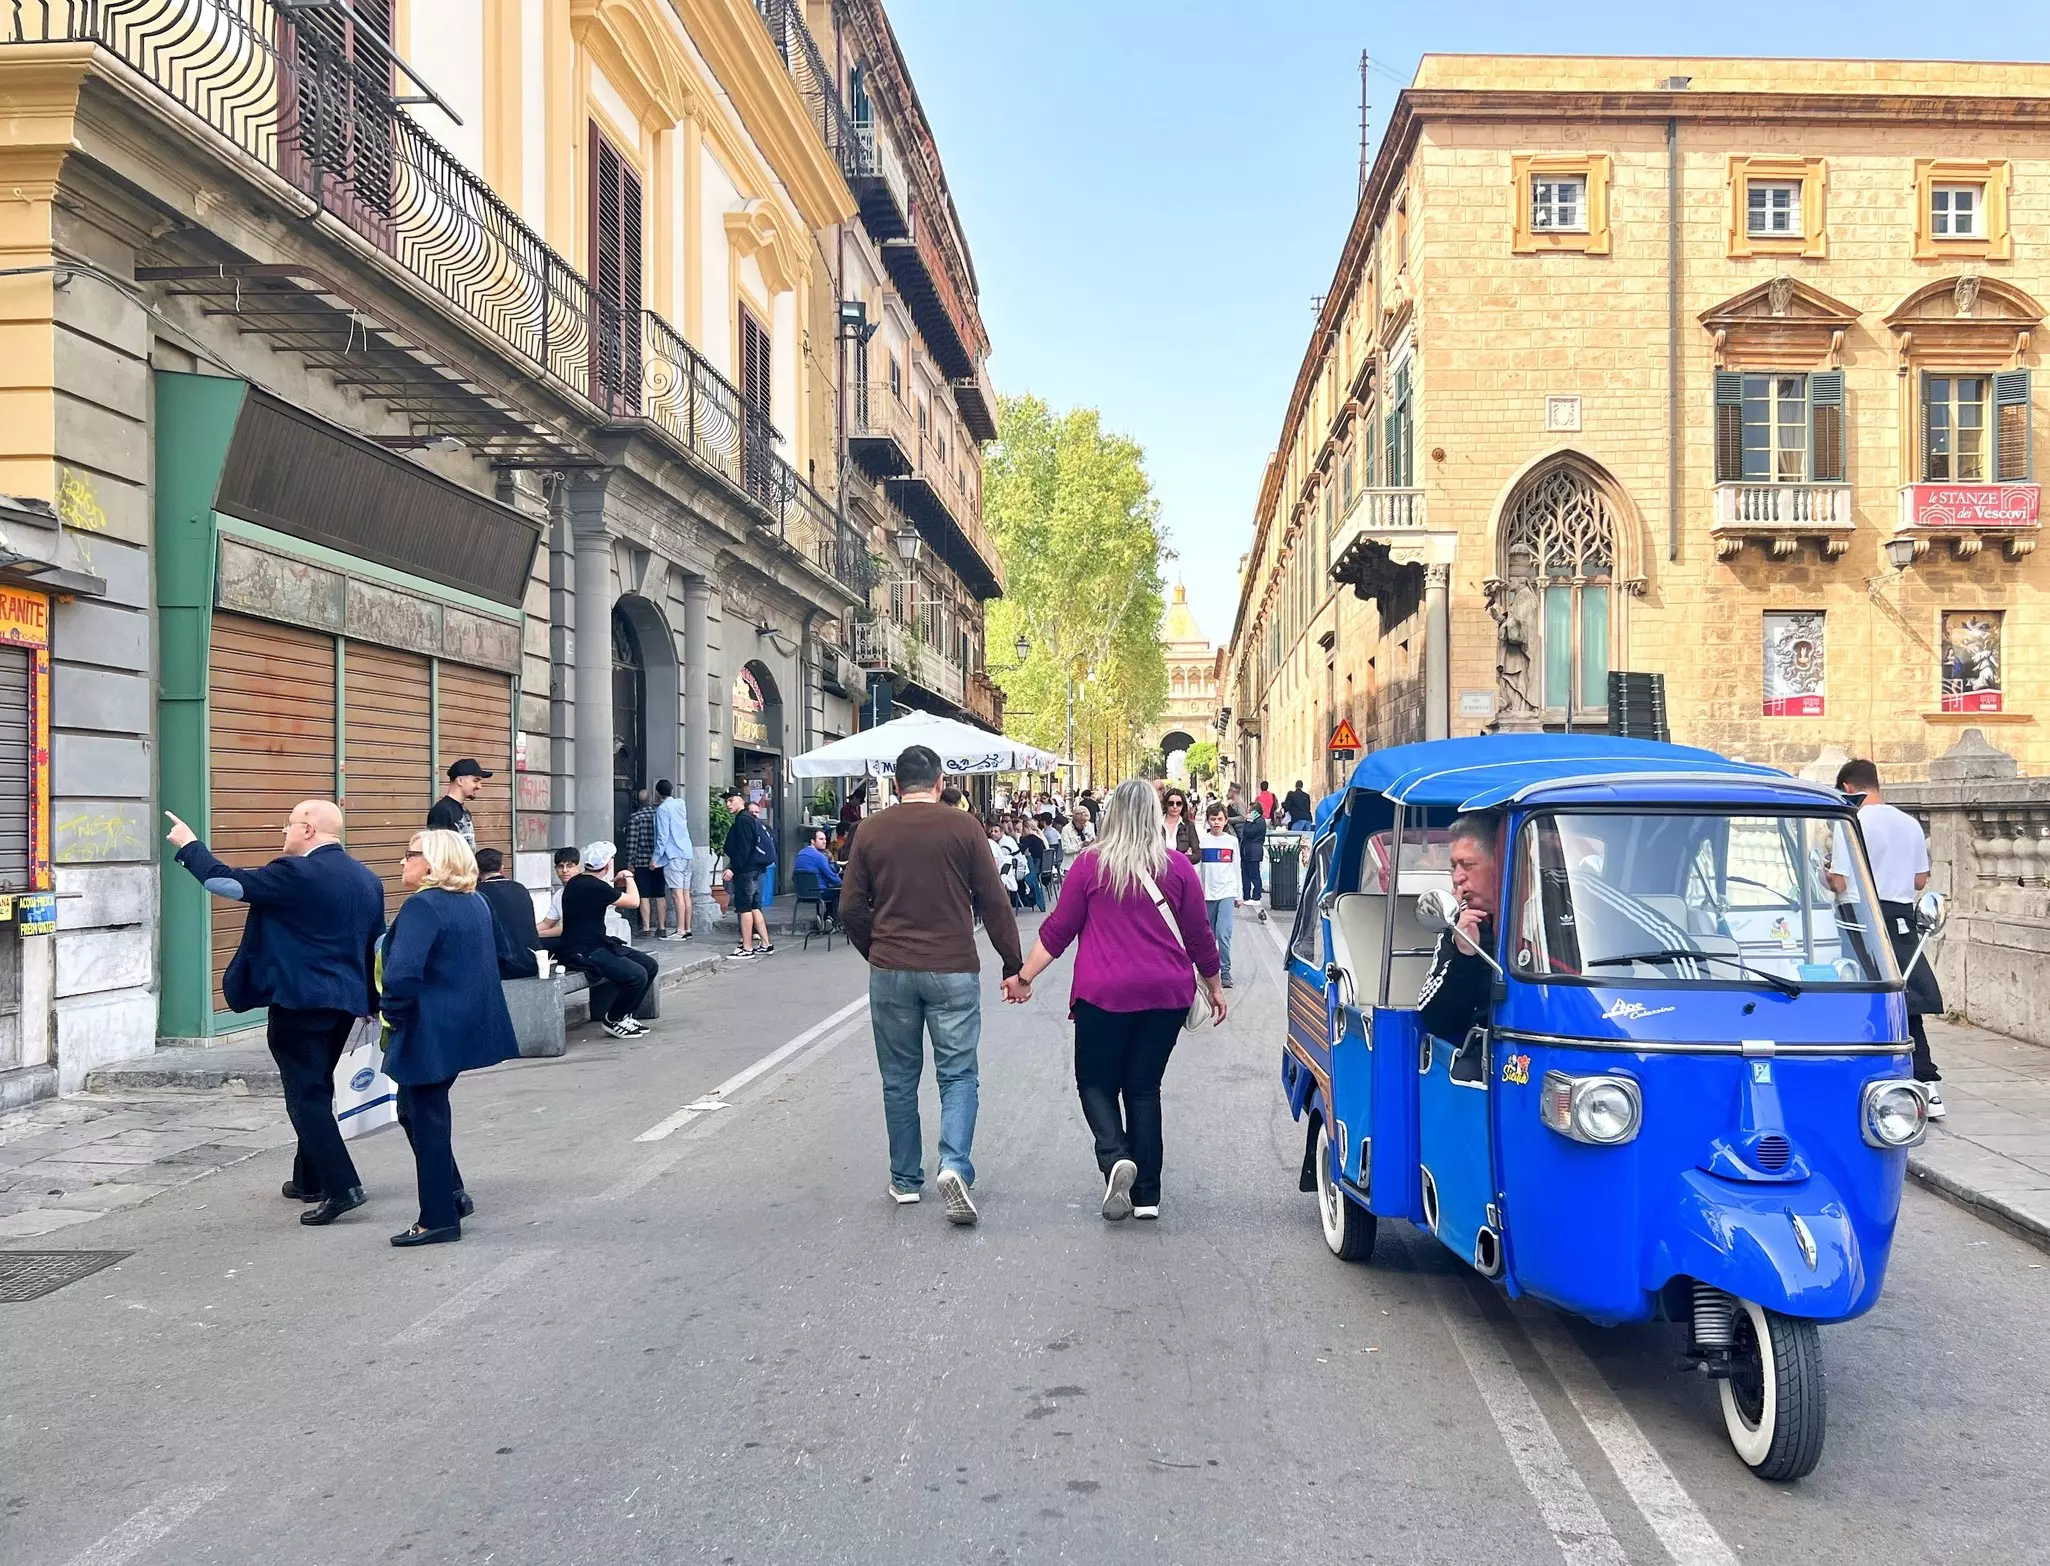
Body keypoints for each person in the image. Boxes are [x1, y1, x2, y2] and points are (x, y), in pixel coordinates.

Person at [1009, 780, 1224, 1222]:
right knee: (1144, 1088)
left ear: (1111, 816)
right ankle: (1147, 1196)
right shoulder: (1178, 867)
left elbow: (1058, 931)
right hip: (1166, 995)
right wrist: (1215, 986)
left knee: (1095, 1083)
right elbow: (1201, 936)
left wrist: (1023, 976)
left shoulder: (1089, 866)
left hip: (1102, 994)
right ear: (1152, 816)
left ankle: (1115, 1155)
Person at [163, 800, 384, 1227]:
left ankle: (343, 1187)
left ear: (307, 828)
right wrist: (372, 1004)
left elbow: (224, 883)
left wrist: (190, 845)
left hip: (300, 1003)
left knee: (305, 1096)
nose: (282, 833)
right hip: (345, 1004)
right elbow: (375, 946)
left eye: (287, 825)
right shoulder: (367, 879)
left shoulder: (296, 872)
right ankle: (309, 1179)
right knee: (318, 1086)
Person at [840, 744, 1025, 1225]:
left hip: (891, 970)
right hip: (952, 969)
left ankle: (904, 1179)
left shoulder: (870, 830)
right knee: (958, 1074)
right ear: (940, 783)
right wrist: (1013, 965)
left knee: (899, 1078)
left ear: (896, 785)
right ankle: (954, 1165)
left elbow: (850, 908)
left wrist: (877, 951)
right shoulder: (964, 827)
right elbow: (994, 900)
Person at [380, 830, 521, 1246]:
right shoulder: (475, 901)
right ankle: (452, 1194)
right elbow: (506, 954)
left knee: (426, 1118)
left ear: (432, 861)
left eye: (409, 854)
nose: (402, 863)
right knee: (416, 1110)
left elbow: (402, 975)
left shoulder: (423, 905)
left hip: (429, 1028)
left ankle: (437, 1218)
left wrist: (393, 1014)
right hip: (463, 1023)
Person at [1830, 759, 1946, 1118]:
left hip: (1860, 916)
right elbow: (1920, 881)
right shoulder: (1909, 823)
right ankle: (1927, 1082)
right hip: (1899, 916)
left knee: (1855, 994)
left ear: (1849, 788)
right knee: (1904, 995)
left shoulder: (1851, 820)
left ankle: (1858, 1072)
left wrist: (1820, 872)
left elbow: (1839, 882)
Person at [1418, 813, 1501, 1081]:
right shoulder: (1455, 922)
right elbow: (1434, 1018)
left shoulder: (1552, 904)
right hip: (1487, 1050)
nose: (1457, 877)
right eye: (1454, 866)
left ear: (1499, 864)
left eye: (1468, 865)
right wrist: (1464, 954)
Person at [555, 841, 656, 1037]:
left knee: (649, 965)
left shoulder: (580, 882)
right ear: (608, 865)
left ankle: (626, 1015)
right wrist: (628, 876)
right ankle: (614, 1019)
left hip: (596, 942)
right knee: (637, 975)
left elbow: (602, 891)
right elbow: (634, 901)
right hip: (583, 951)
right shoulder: (593, 887)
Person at [721, 787, 777, 958]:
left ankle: (747, 947)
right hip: (754, 869)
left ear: (740, 800)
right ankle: (766, 943)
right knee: (754, 906)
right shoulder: (748, 819)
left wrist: (732, 867)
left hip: (746, 870)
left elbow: (744, 849)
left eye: (731, 800)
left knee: (744, 907)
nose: (728, 804)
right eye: (727, 801)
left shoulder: (743, 820)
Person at [473, 848, 540, 978]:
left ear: (477, 870)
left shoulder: (477, 894)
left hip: (502, 967)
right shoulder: (520, 888)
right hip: (531, 963)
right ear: (502, 868)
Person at [1197, 802, 1240, 989]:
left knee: (1223, 934)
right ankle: (1208, 971)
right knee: (1209, 936)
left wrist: (1239, 894)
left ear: (1225, 820)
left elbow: (1236, 867)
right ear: (1208, 820)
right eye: (1213, 819)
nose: (1216, 822)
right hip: (1207, 894)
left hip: (1227, 892)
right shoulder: (1202, 841)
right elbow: (1198, 869)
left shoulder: (1231, 842)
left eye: (1219, 819)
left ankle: (1226, 971)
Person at [651, 779, 694, 940]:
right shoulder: (680, 804)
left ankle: (680, 930)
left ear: (658, 793)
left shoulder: (663, 809)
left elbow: (662, 836)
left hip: (673, 854)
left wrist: (655, 858)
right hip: (687, 852)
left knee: (677, 894)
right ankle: (687, 928)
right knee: (685, 893)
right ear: (672, 790)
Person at [623, 787, 665, 939]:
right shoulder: (658, 815)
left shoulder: (636, 817)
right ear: (651, 800)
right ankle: (662, 927)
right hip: (658, 860)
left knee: (644, 895)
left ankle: (646, 928)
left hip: (641, 861)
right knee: (660, 894)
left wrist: (629, 861)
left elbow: (632, 841)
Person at [427, 758, 491, 847]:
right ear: (460, 781)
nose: (479, 786)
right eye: (475, 781)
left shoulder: (464, 811)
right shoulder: (441, 811)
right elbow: (438, 853)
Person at [794, 825, 843, 926]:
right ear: (812, 841)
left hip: (802, 893)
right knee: (838, 889)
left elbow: (793, 877)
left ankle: (820, 917)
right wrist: (844, 885)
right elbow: (832, 877)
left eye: (825, 839)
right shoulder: (819, 856)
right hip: (819, 892)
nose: (825, 841)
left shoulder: (799, 855)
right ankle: (829, 918)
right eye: (821, 839)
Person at [1236, 796, 1269, 921]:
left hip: (1254, 851)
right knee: (1245, 873)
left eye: (1250, 811)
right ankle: (1246, 895)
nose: (1248, 813)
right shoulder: (1254, 821)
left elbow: (1248, 832)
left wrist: (1248, 822)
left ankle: (1256, 896)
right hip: (1247, 851)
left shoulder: (1259, 822)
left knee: (1254, 873)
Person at [1017, 815, 1049, 912]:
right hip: (1042, 865)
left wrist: (1017, 837)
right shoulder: (1039, 837)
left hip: (1035, 865)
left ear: (1026, 828)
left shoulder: (1029, 838)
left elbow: (1020, 850)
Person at [1161, 787, 1200, 866]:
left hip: (1181, 870)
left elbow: (1197, 855)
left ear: (1183, 805)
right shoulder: (1156, 824)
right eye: (1171, 803)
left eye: (1178, 804)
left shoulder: (1189, 826)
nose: (1175, 806)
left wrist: (1181, 859)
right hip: (1160, 871)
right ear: (1166, 804)